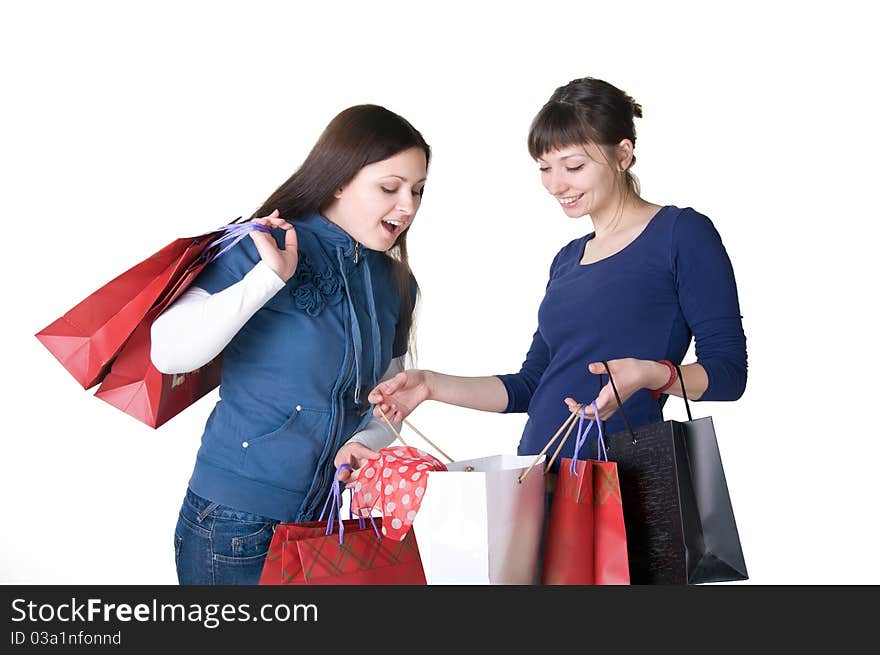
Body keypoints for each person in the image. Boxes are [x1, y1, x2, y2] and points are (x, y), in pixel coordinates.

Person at [368, 77, 747, 477]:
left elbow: (728, 373)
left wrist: (653, 375)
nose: (555, 184)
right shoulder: (567, 260)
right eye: (545, 168)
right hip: (536, 472)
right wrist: (430, 385)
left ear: (623, 154)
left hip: (620, 482)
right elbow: (532, 385)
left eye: (574, 166)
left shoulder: (680, 234)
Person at [150, 104, 430, 585]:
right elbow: (169, 351)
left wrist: (363, 441)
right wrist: (267, 278)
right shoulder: (262, 245)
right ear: (339, 180)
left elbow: (389, 400)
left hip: (325, 523)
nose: (407, 206)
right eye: (389, 188)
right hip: (234, 524)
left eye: (418, 191)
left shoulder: (395, 282)